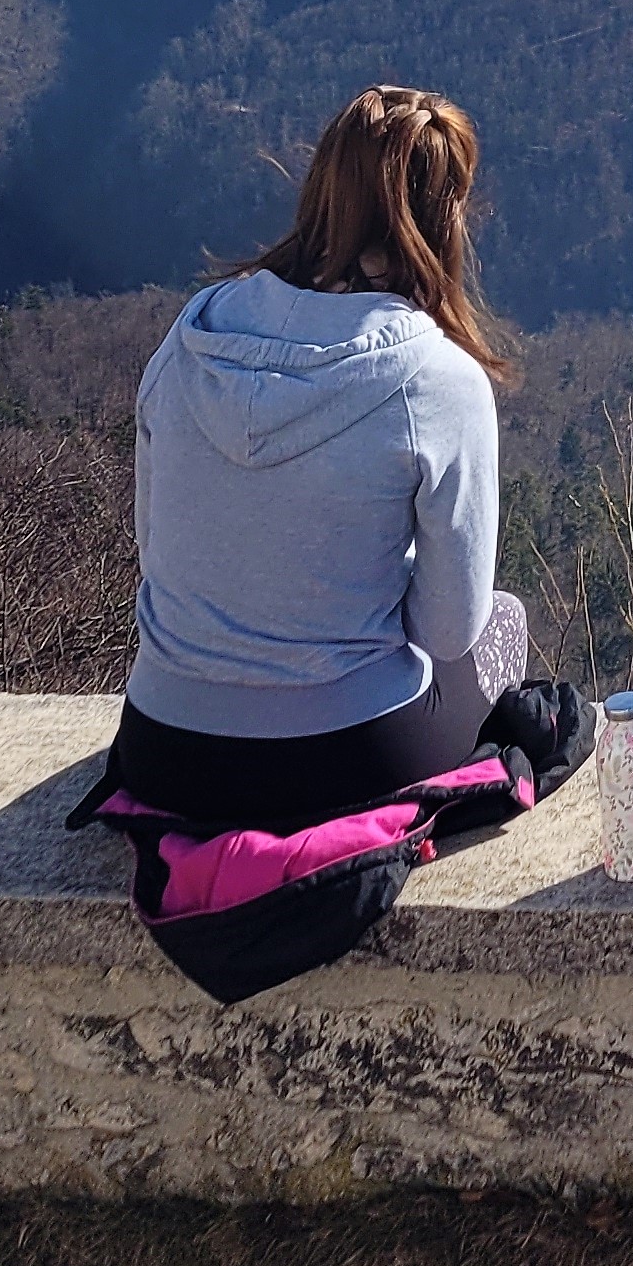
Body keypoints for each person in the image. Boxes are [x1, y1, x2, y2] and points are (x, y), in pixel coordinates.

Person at [108, 84, 534, 834]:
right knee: (503, 624)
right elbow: (447, 632)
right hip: (340, 759)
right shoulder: (438, 381)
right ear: (447, 216)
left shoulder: (189, 342)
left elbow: (158, 553)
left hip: (163, 750)